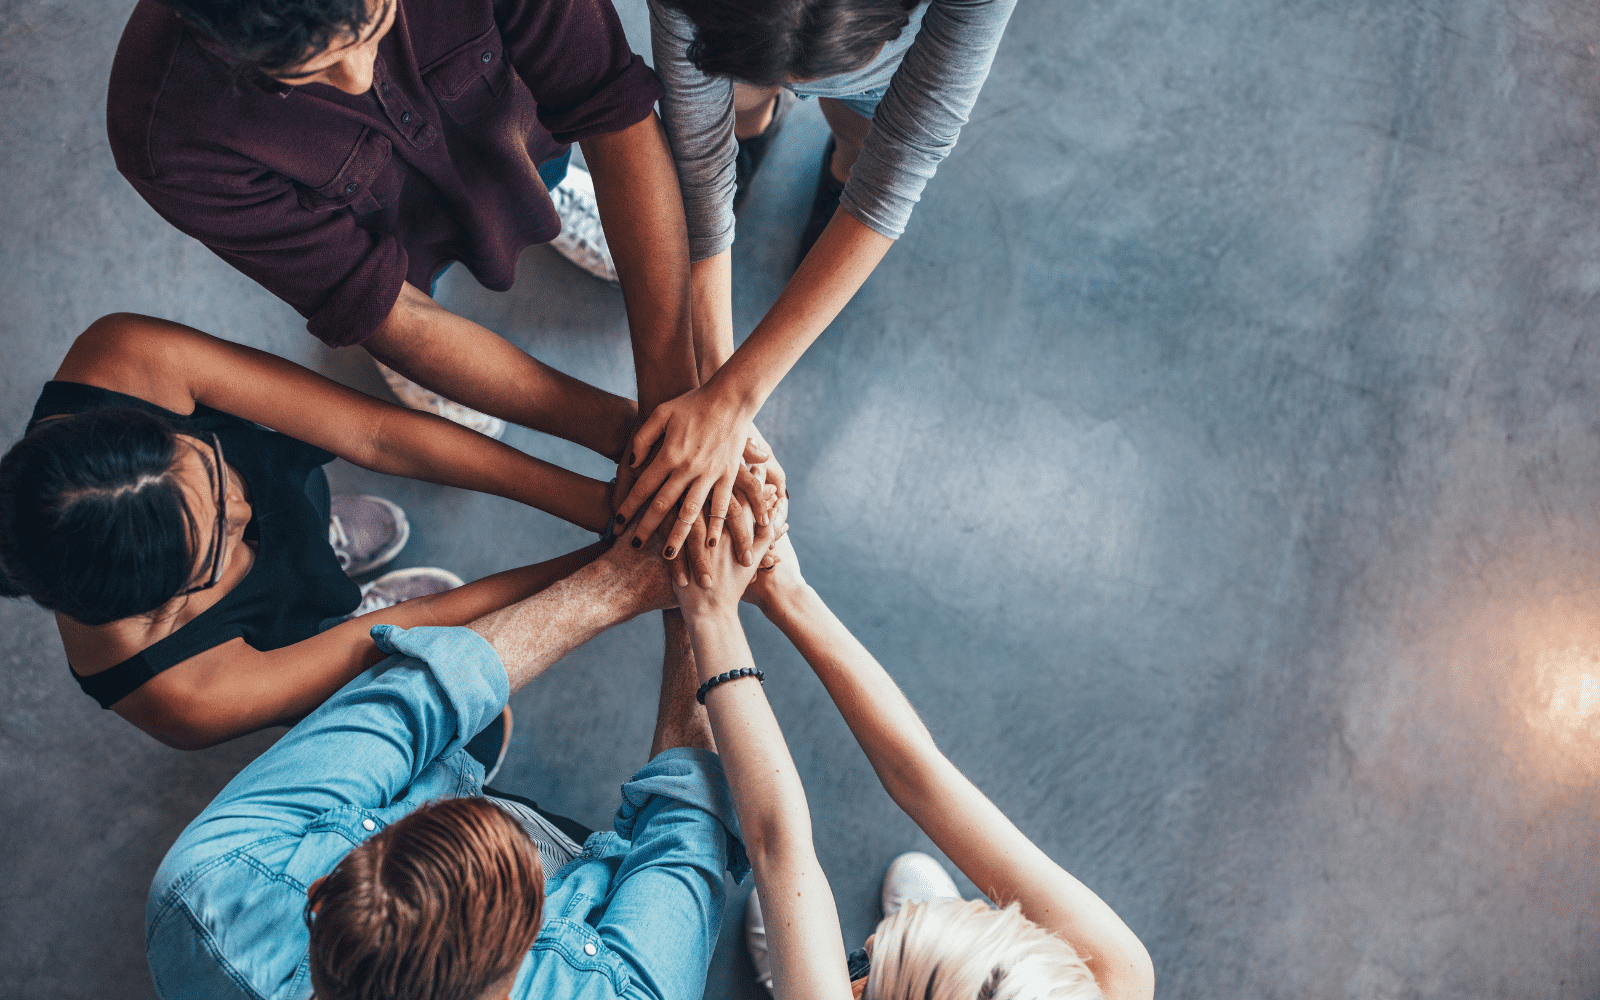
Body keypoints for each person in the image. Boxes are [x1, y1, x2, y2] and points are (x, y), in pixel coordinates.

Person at [0, 313, 769, 750]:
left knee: (296, 508)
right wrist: (622, 564)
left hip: (211, 530)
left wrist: (610, 505)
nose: (243, 505)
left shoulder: (126, 359)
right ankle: (332, 606)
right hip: (273, 639)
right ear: (162, 609)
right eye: (218, 547)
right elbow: (424, 623)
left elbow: (377, 435)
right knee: (386, 657)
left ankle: (317, 545)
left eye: (209, 464)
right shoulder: (180, 694)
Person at [145, 515, 774, 1000]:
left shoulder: (208, 888)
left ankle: (453, 760)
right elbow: (684, 834)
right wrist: (701, 607)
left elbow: (408, 704)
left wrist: (617, 583)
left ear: (321, 891)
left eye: (391, 825)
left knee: (429, 726)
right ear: (506, 982)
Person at [106, 0, 711, 462]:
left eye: (375, 26)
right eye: (307, 72)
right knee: (393, 304)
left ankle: (544, 194)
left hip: (515, 137)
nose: (361, 77)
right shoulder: (168, 137)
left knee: (538, 175)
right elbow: (387, 307)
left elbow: (609, 112)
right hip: (386, 250)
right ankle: (406, 362)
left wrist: (673, 399)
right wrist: (632, 438)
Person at [608, 0, 1015, 562]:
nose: (801, 88)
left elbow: (898, 167)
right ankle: (753, 128)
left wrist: (732, 403)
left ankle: (836, 161)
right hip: (745, 53)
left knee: (863, 141)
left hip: (878, 81)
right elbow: (699, 162)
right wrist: (721, 396)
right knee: (739, 104)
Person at [671, 530, 1156, 1000]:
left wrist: (710, 613)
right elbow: (918, 775)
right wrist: (785, 589)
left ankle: (803, 976)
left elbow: (776, 843)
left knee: (802, 942)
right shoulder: (1116, 975)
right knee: (821, 929)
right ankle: (890, 960)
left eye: (872, 971)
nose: (871, 941)